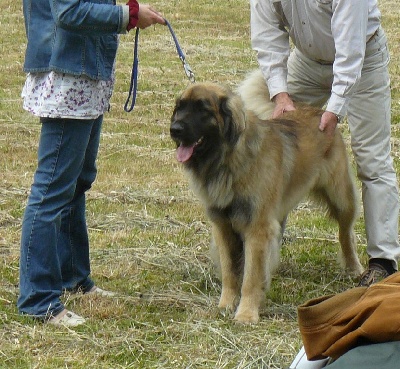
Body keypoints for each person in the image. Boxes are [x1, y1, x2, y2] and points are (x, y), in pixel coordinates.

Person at [18, 0, 165, 326]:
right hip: (68, 74)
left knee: (76, 182)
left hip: (84, 72)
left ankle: (74, 279)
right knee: (51, 191)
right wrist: (129, 16)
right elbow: (69, 12)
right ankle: (38, 299)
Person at [250, 0, 400, 287]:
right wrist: (280, 94)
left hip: (363, 58)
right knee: (265, 146)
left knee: (372, 159)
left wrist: (335, 107)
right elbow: (267, 32)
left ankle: (383, 262)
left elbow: (350, 49)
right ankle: (262, 236)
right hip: (306, 61)